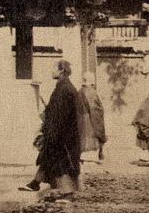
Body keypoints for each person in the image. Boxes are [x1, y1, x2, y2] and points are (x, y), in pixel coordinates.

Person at [20, 60, 83, 200]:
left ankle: (68, 194)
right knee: (48, 159)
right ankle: (35, 183)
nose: (52, 71)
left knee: (62, 164)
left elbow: (59, 115)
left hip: (62, 135)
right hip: (62, 133)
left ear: (61, 71)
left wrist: (52, 132)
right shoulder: (63, 87)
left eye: (54, 69)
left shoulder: (64, 89)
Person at [80, 81, 108, 166]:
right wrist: (101, 110)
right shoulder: (90, 92)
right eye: (92, 83)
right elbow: (95, 108)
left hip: (81, 118)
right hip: (89, 118)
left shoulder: (80, 91)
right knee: (91, 137)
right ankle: (90, 157)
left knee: (84, 137)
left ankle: (83, 157)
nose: (94, 85)